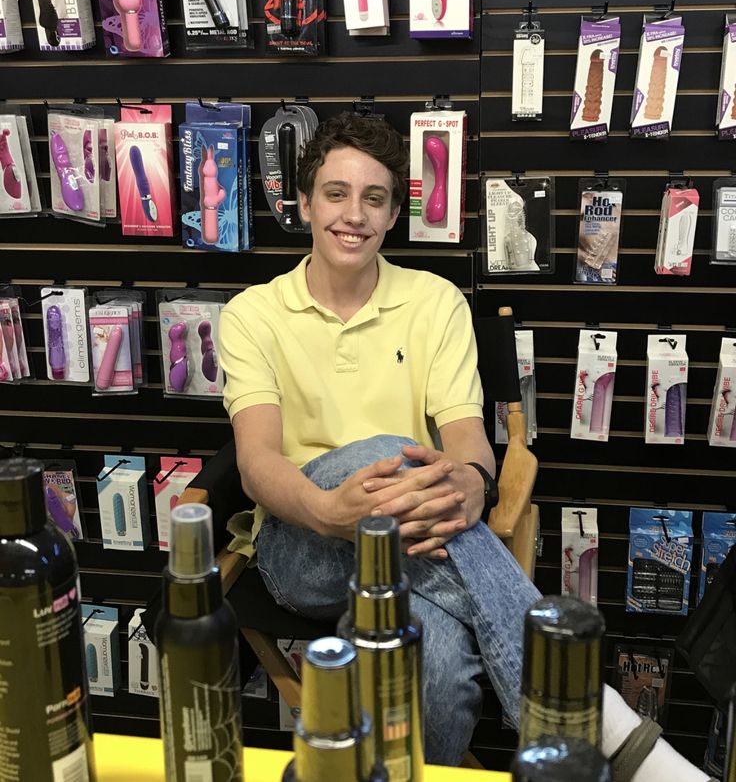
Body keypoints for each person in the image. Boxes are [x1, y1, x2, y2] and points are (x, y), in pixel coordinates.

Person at [219, 112, 713, 781]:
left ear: (394, 212)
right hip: (303, 541)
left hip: (421, 541)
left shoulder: (437, 302)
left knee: (443, 664)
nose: (353, 215)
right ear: (304, 202)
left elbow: (467, 447)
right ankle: (587, 717)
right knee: (395, 447)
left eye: (374, 198)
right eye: (336, 193)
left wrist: (476, 482)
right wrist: (333, 510)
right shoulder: (253, 314)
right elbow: (257, 463)